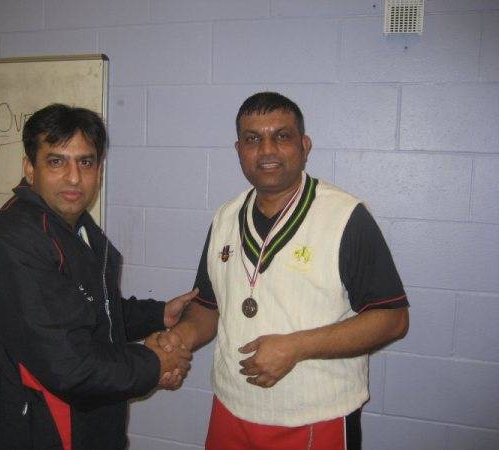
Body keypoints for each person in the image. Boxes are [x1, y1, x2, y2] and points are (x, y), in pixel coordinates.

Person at [158, 92, 409, 449]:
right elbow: (209, 307)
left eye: (282, 135)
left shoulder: (345, 217)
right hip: (231, 408)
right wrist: (181, 338)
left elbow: (393, 318)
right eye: (253, 139)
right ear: (238, 149)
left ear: (304, 145)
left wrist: (296, 347)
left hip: (314, 416)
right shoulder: (225, 217)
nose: (267, 150)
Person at [0, 103, 195, 450]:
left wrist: (157, 315)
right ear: (29, 169)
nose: (73, 177)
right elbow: (71, 365)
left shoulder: (74, 229)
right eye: (56, 161)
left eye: (85, 161)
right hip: (26, 434)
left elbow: (86, 312)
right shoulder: (11, 244)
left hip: (82, 427)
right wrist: (156, 363)